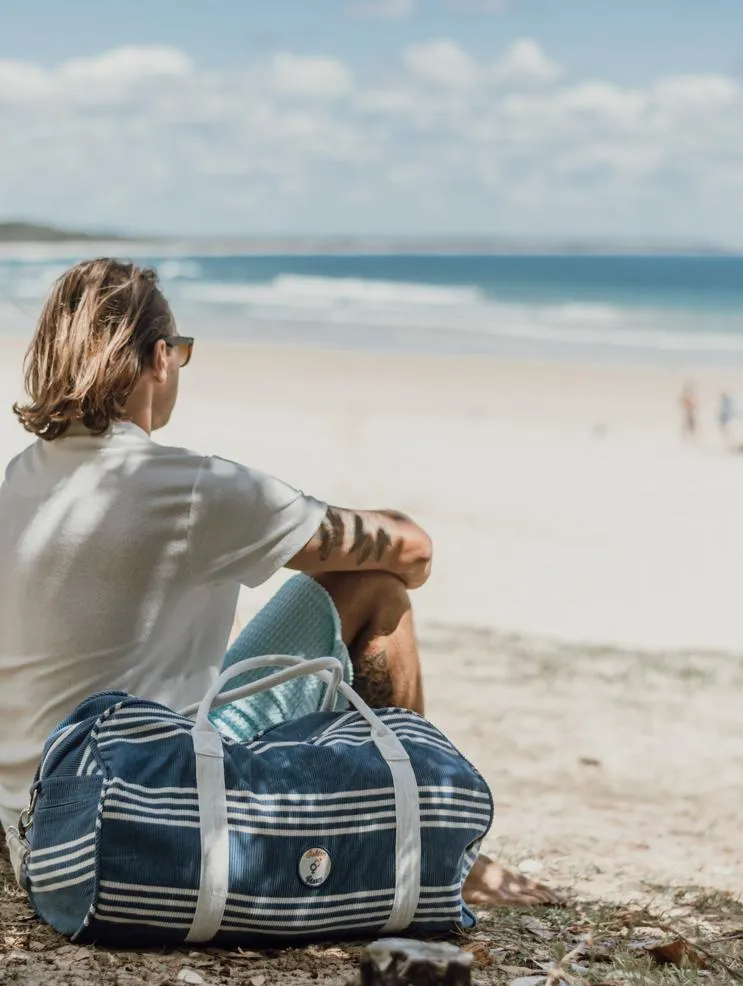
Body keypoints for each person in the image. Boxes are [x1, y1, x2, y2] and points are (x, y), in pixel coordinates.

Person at [0, 258, 555, 907]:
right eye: (181, 349)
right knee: (375, 589)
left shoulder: (22, 478)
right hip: (142, 800)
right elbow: (414, 550)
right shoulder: (193, 489)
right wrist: (303, 537)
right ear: (157, 358)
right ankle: (426, 844)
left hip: (33, 825)